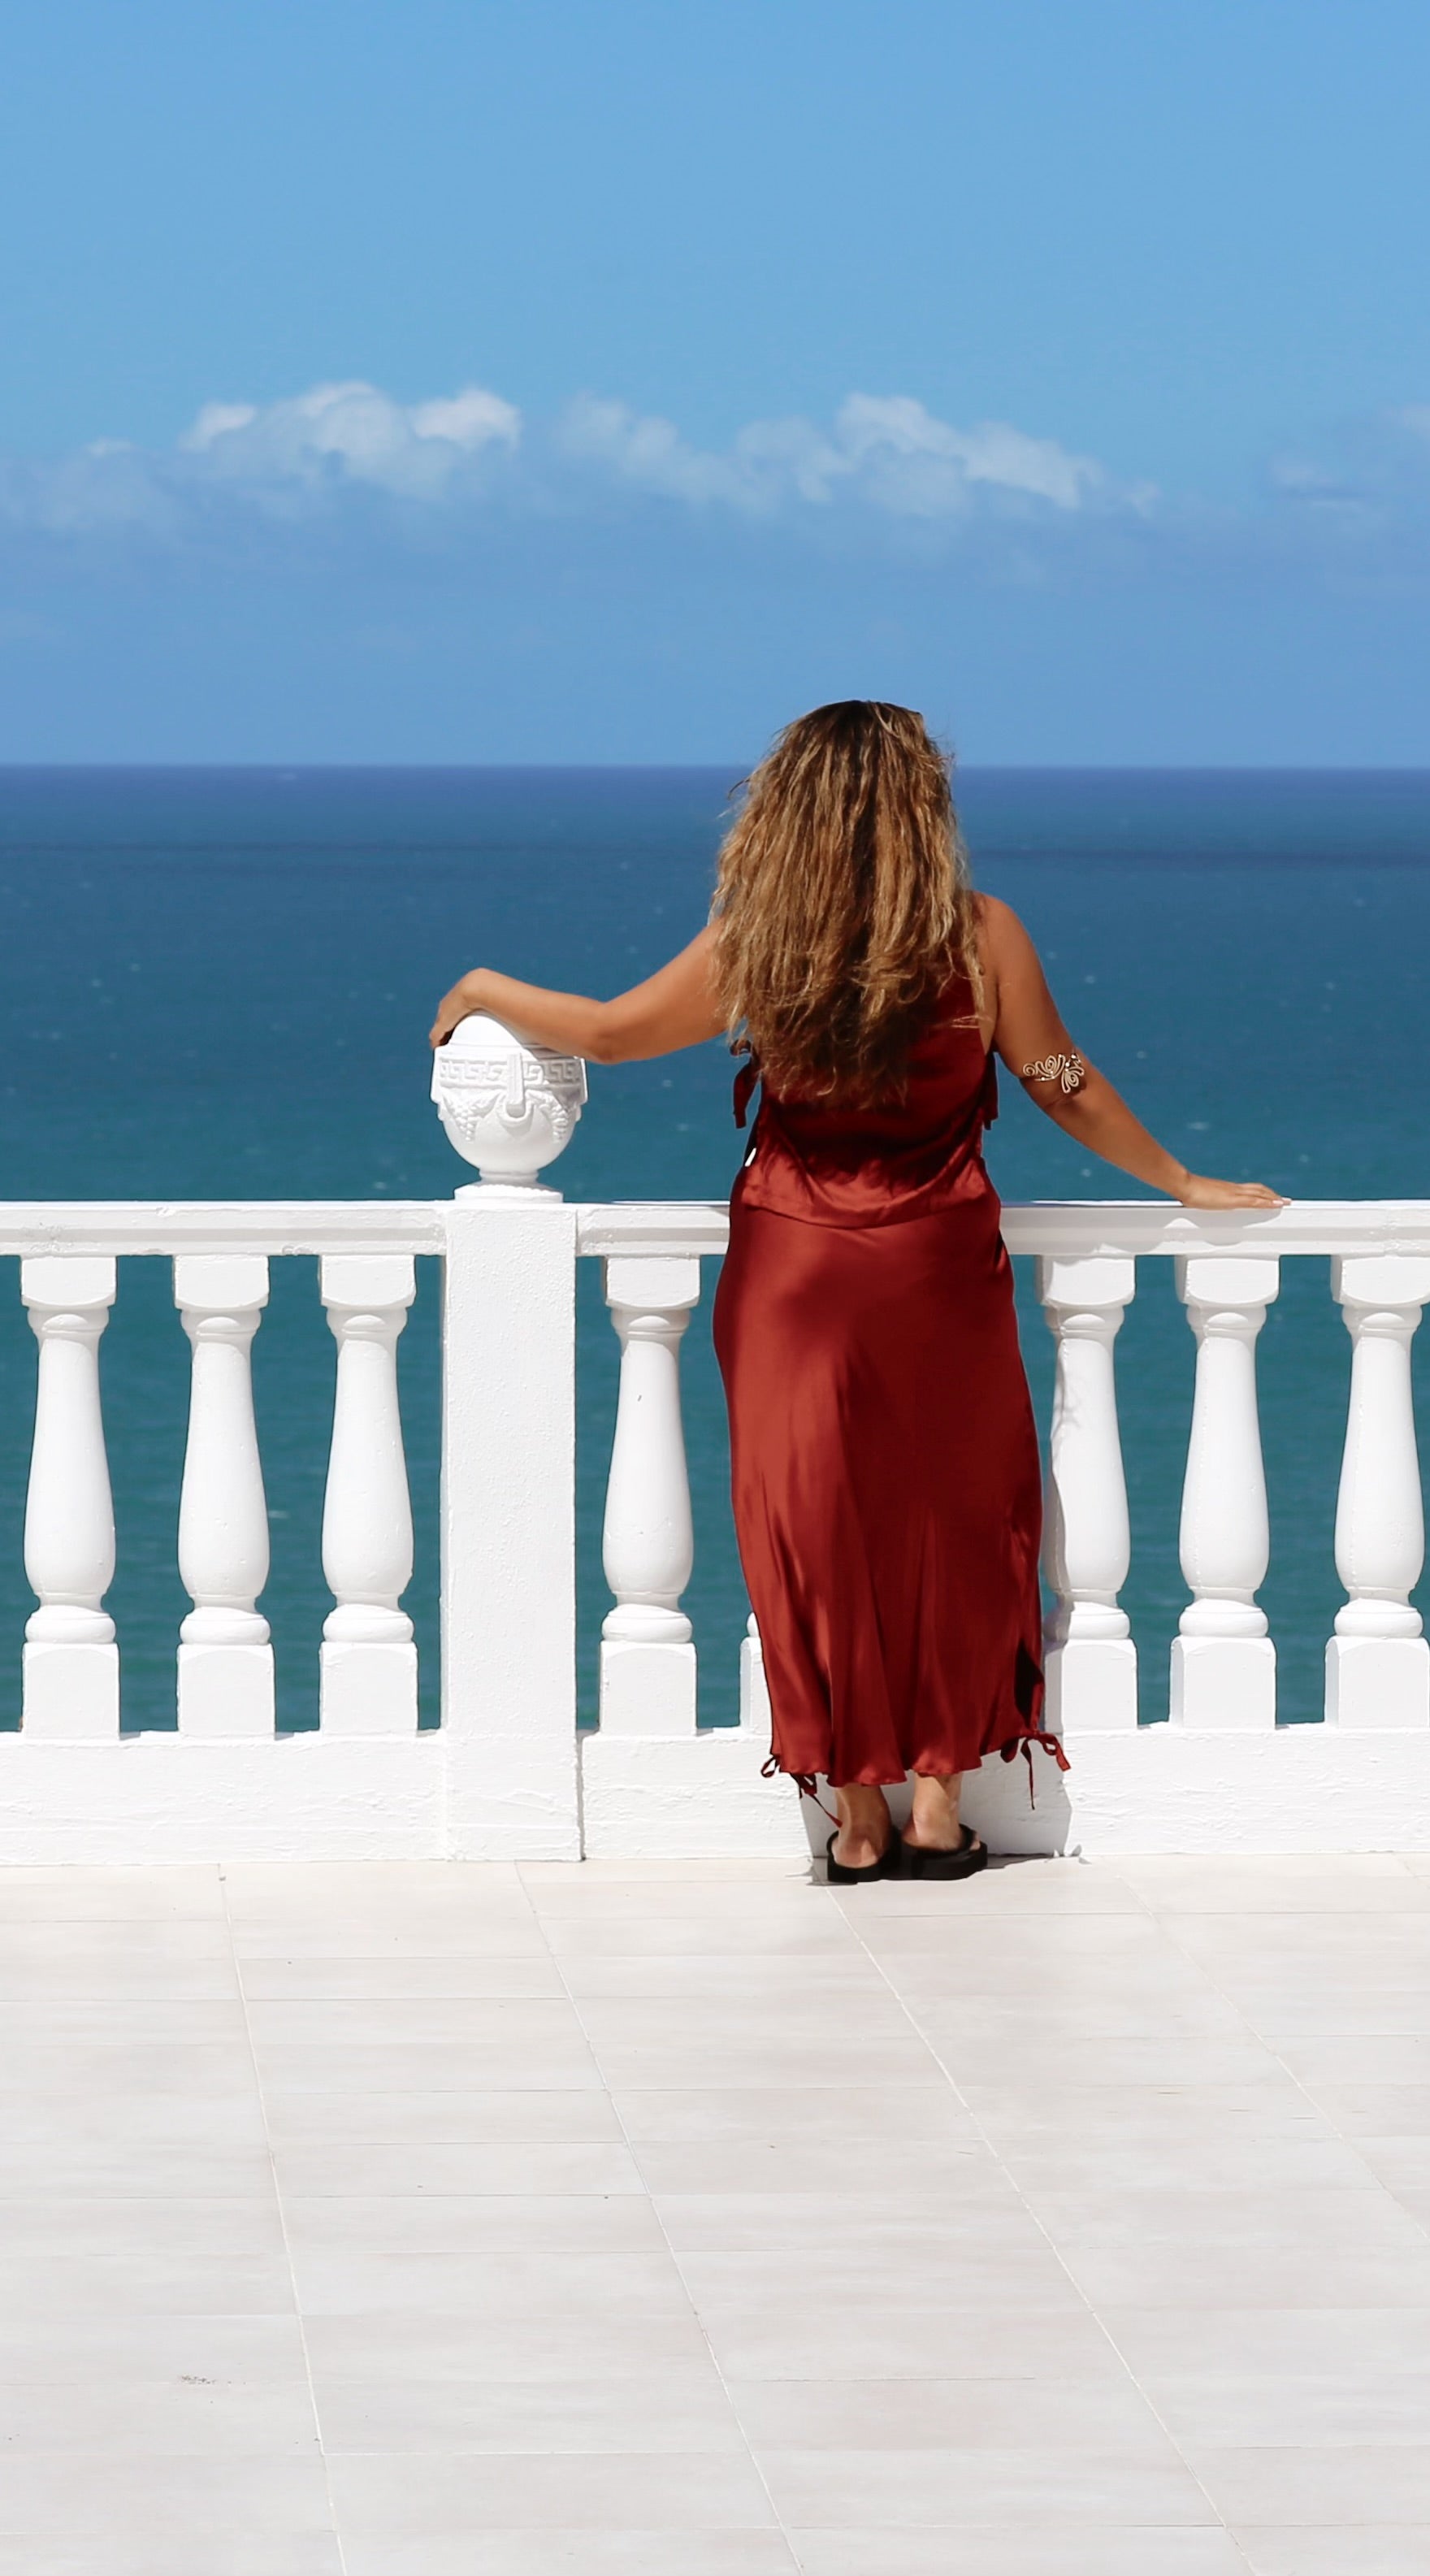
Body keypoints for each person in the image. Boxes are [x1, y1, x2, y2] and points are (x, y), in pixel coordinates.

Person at [431, 701, 1284, 1881]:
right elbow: (1060, 1080)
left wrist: (483, 984)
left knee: (816, 1531)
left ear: (789, 811)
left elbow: (612, 1034)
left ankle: (858, 1817)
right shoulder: (980, 936)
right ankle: (937, 1804)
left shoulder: (761, 942)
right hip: (937, 1269)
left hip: (795, 1272)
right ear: (922, 808)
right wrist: (1180, 1178)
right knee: (953, 1526)